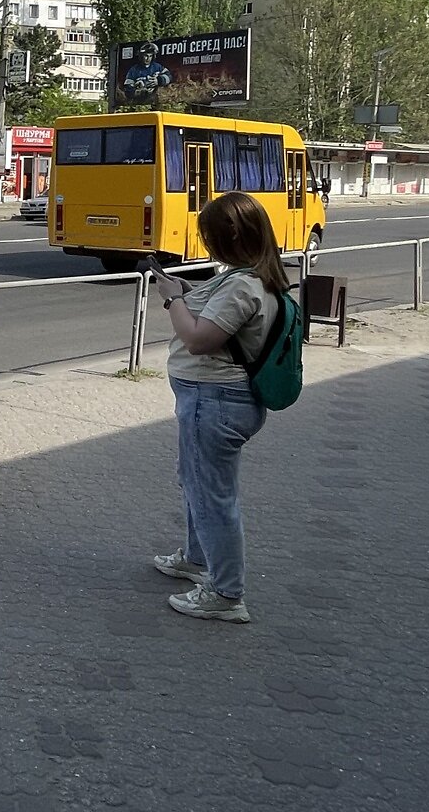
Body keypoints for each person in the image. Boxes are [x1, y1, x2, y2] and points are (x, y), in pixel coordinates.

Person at [150, 190, 287, 623]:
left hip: (216, 401)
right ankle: (196, 557)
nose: (205, 243)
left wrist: (172, 300)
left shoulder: (244, 284)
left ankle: (227, 593)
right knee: (196, 484)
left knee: (212, 497)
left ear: (228, 237)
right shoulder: (250, 277)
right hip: (212, 401)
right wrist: (187, 291)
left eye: (209, 235)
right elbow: (215, 315)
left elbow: (199, 338)